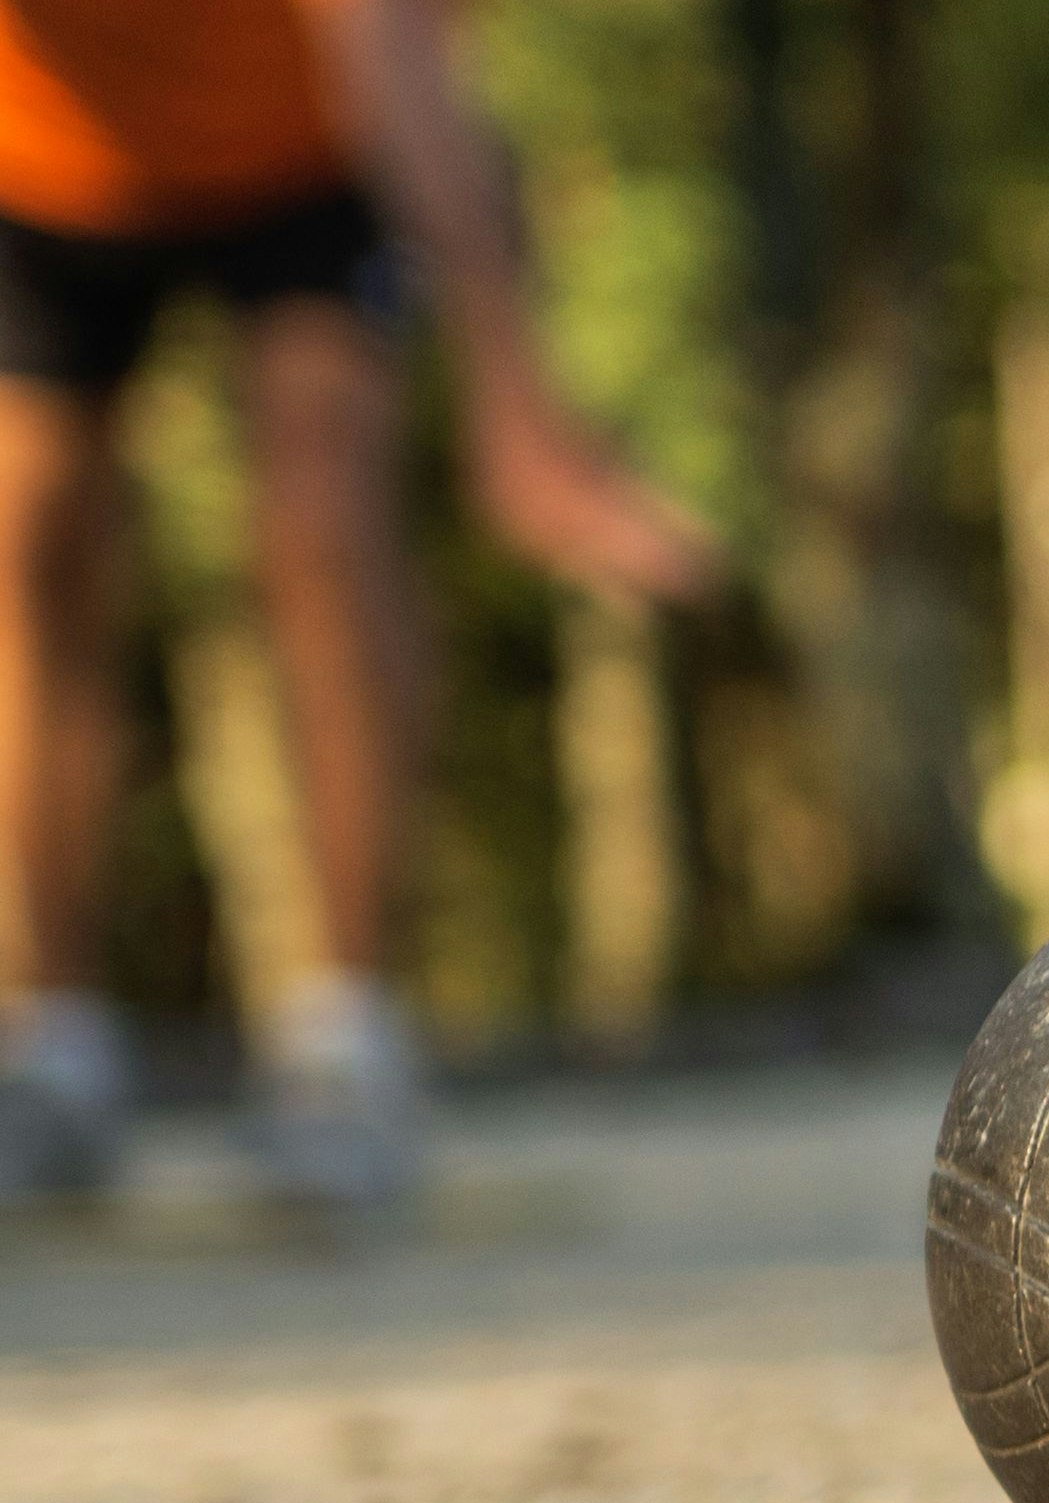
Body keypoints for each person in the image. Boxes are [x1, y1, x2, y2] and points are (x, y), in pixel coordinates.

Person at [0, 0, 711, 1208]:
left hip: (308, 141)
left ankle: (344, 1043)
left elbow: (392, 50)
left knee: (322, 501)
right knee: (32, 532)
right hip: (33, 158)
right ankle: (49, 1052)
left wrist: (514, 402)